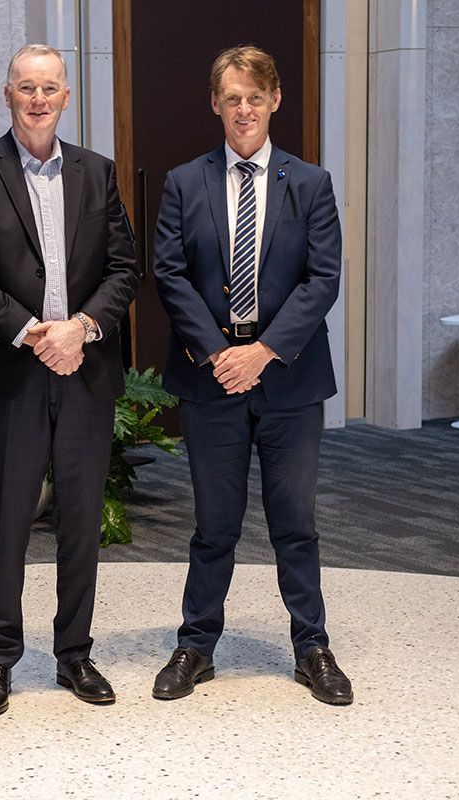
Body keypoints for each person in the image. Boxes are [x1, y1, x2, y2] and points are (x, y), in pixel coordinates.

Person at [0, 44, 140, 715]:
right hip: (13, 371)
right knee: (8, 519)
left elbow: (123, 271)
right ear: (7, 95)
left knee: (81, 519)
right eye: (26, 87)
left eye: (49, 87)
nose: (38, 99)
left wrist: (78, 330)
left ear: (66, 96)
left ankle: (75, 655)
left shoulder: (97, 172)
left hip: (84, 369)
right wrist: (34, 332)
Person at [150, 45, 352, 705]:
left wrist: (261, 352)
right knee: (215, 524)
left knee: (295, 522)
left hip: (290, 379)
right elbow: (170, 274)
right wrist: (218, 353)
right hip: (212, 380)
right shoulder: (185, 182)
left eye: (255, 98)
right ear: (216, 103)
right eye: (232, 98)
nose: (244, 110)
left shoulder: (312, 184)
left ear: (275, 101)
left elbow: (322, 281)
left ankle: (312, 647)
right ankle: (196, 647)